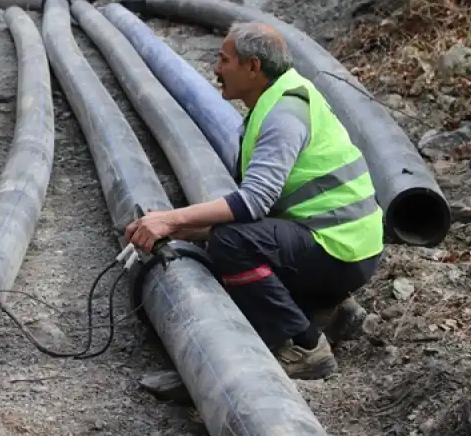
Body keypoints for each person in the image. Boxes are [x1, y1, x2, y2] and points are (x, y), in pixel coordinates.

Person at [125, 22, 384, 380]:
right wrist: (184, 229)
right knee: (232, 239)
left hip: (341, 248)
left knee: (231, 245)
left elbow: (253, 204)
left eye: (224, 60)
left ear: (253, 67)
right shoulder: (281, 96)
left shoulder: (283, 115)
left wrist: (173, 221)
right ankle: (330, 309)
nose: (216, 70)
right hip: (345, 241)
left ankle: (305, 346)